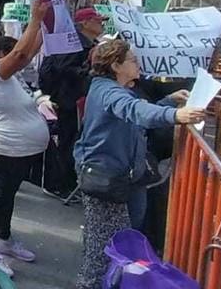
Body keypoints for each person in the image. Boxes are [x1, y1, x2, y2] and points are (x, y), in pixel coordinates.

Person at [73, 39, 203, 289]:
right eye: (132, 60)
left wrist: (167, 102)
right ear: (116, 65)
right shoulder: (109, 91)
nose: (138, 63)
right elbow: (134, 111)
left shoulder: (113, 89)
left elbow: (136, 112)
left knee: (113, 238)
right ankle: (94, 283)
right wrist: (175, 115)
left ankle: (104, 281)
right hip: (105, 177)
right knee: (106, 244)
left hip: (119, 176)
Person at [0, 0, 52, 276]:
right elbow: (21, 54)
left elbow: (28, 53)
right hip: (6, 149)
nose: (18, 57)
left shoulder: (11, 76)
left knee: (7, 196)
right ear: (1, 54)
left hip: (19, 150)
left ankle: (4, 240)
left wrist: (45, 24)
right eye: (9, 52)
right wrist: (34, 18)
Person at [36, 5, 104, 199]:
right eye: (97, 20)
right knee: (69, 142)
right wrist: (89, 72)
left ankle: (64, 183)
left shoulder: (87, 43)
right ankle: (60, 184)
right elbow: (64, 69)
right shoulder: (75, 44)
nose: (101, 24)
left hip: (74, 100)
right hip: (70, 101)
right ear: (84, 23)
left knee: (71, 140)